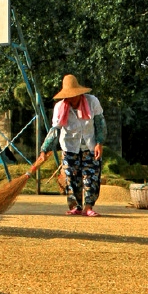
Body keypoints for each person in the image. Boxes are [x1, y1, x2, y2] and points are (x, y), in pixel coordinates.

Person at [40, 74, 105, 216]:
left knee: (91, 177)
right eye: (69, 96)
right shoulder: (60, 107)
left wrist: (99, 143)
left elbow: (100, 123)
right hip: (69, 147)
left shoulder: (92, 102)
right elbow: (55, 130)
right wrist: (44, 149)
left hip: (90, 145)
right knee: (71, 178)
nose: (72, 99)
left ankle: (88, 207)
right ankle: (76, 206)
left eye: (74, 95)